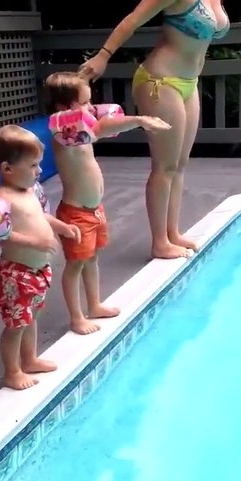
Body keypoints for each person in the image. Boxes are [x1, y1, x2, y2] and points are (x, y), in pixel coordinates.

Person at [78, 0, 232, 260]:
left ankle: (172, 232)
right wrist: (103, 55)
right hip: (159, 81)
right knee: (163, 166)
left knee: (179, 165)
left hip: (188, 84)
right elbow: (134, 18)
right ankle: (158, 241)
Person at [42, 71, 171, 334]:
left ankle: (94, 305)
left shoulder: (80, 130)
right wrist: (140, 120)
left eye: (91, 101)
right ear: (63, 108)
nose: (90, 108)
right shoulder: (64, 132)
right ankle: (77, 317)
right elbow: (101, 128)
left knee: (92, 260)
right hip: (75, 214)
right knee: (75, 265)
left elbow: (98, 128)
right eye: (84, 103)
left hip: (94, 211)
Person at [0, 125, 82, 390]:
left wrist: (62, 227)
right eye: (33, 165)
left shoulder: (30, 191)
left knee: (31, 317)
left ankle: (29, 359)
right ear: (7, 169)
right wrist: (36, 242)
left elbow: (42, 216)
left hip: (37, 271)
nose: (39, 171)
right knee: (16, 324)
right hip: (15, 274)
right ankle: (12, 371)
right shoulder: (0, 199)